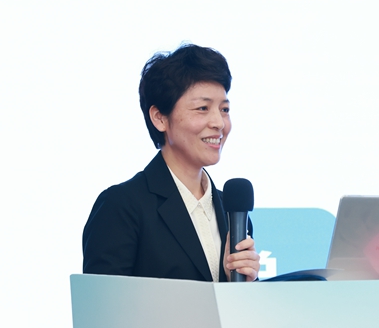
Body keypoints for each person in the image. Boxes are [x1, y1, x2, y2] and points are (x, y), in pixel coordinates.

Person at [82, 44, 260, 282]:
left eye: (224, 109)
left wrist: (242, 283)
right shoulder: (121, 207)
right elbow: (104, 304)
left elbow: (237, 304)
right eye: (203, 108)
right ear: (159, 118)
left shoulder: (233, 214)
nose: (219, 122)